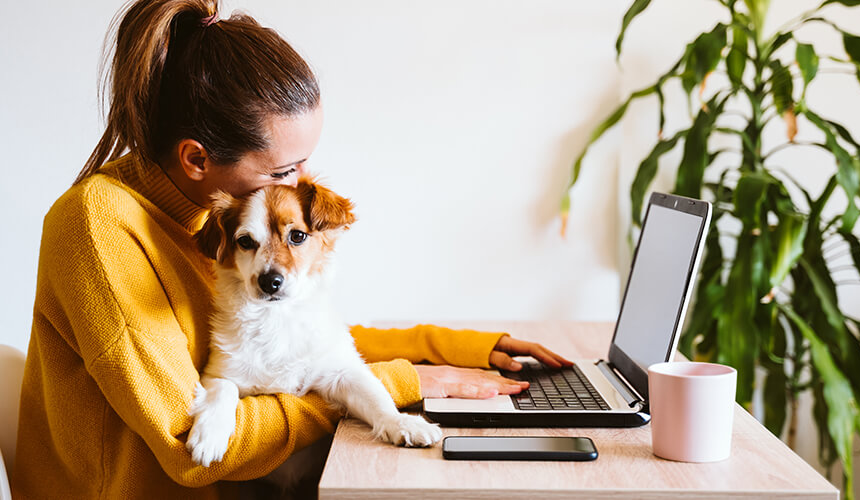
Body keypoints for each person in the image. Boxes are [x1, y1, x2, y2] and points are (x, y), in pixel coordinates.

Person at [11, 1, 572, 498]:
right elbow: (193, 449)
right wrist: (397, 385)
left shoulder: (213, 214)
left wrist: (453, 348)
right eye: (284, 169)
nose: (302, 185)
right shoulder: (99, 227)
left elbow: (295, 342)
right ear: (197, 159)